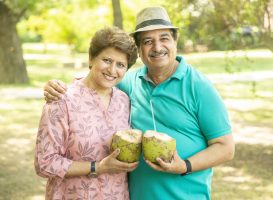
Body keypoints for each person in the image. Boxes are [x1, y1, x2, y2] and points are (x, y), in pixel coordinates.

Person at [43, 6, 235, 200]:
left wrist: (184, 166)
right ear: (140, 50)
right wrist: (59, 87)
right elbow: (100, 79)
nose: (157, 47)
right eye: (148, 41)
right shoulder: (129, 83)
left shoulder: (199, 87)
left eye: (164, 38)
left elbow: (226, 148)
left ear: (175, 41)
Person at [35, 27, 139, 200]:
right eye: (106, 60)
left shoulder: (123, 100)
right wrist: (98, 167)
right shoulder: (61, 99)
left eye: (120, 65)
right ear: (91, 58)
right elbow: (44, 163)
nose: (112, 70)